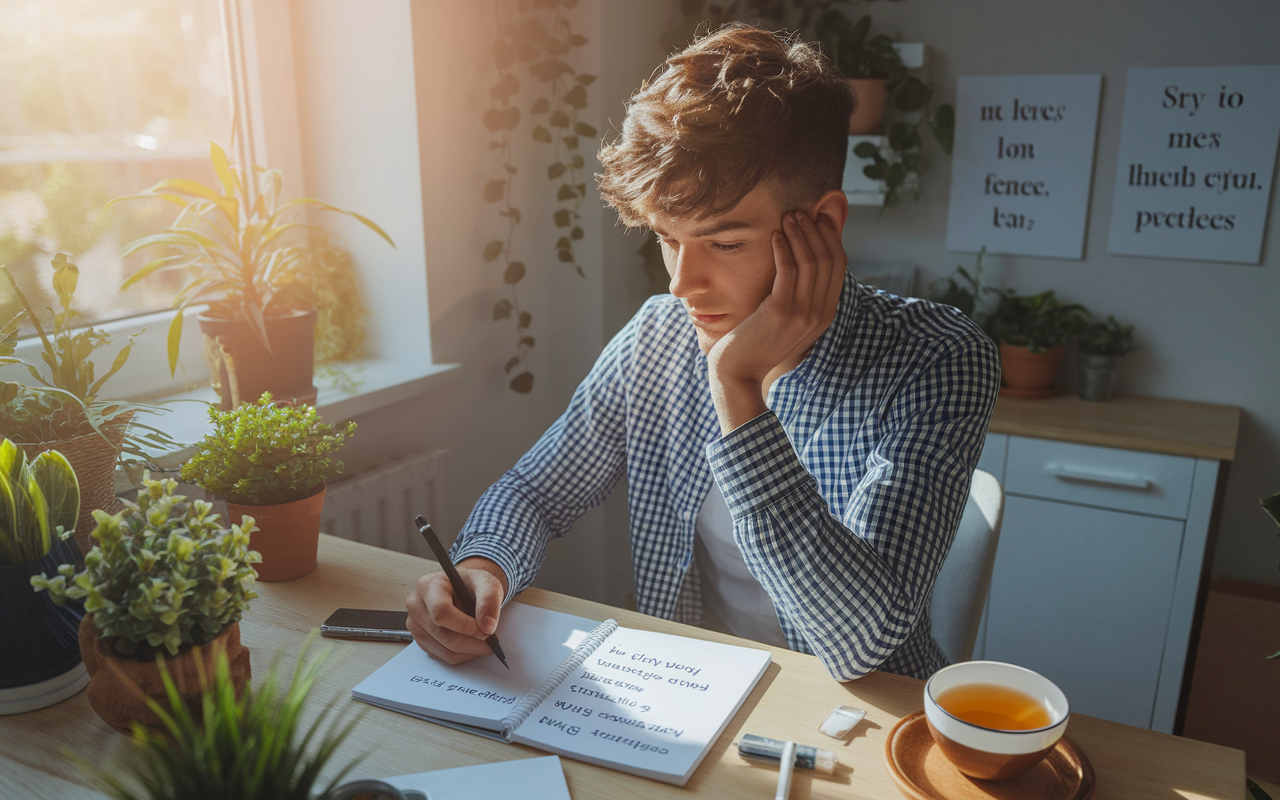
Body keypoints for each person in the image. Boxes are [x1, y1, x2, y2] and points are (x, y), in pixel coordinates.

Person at [405, 24, 1000, 681]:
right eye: (667, 236)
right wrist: (481, 566)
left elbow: (861, 644)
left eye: (724, 242)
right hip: (694, 688)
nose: (680, 284)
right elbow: (537, 492)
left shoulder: (938, 357)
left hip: (860, 718)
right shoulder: (658, 337)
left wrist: (735, 384)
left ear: (824, 225)